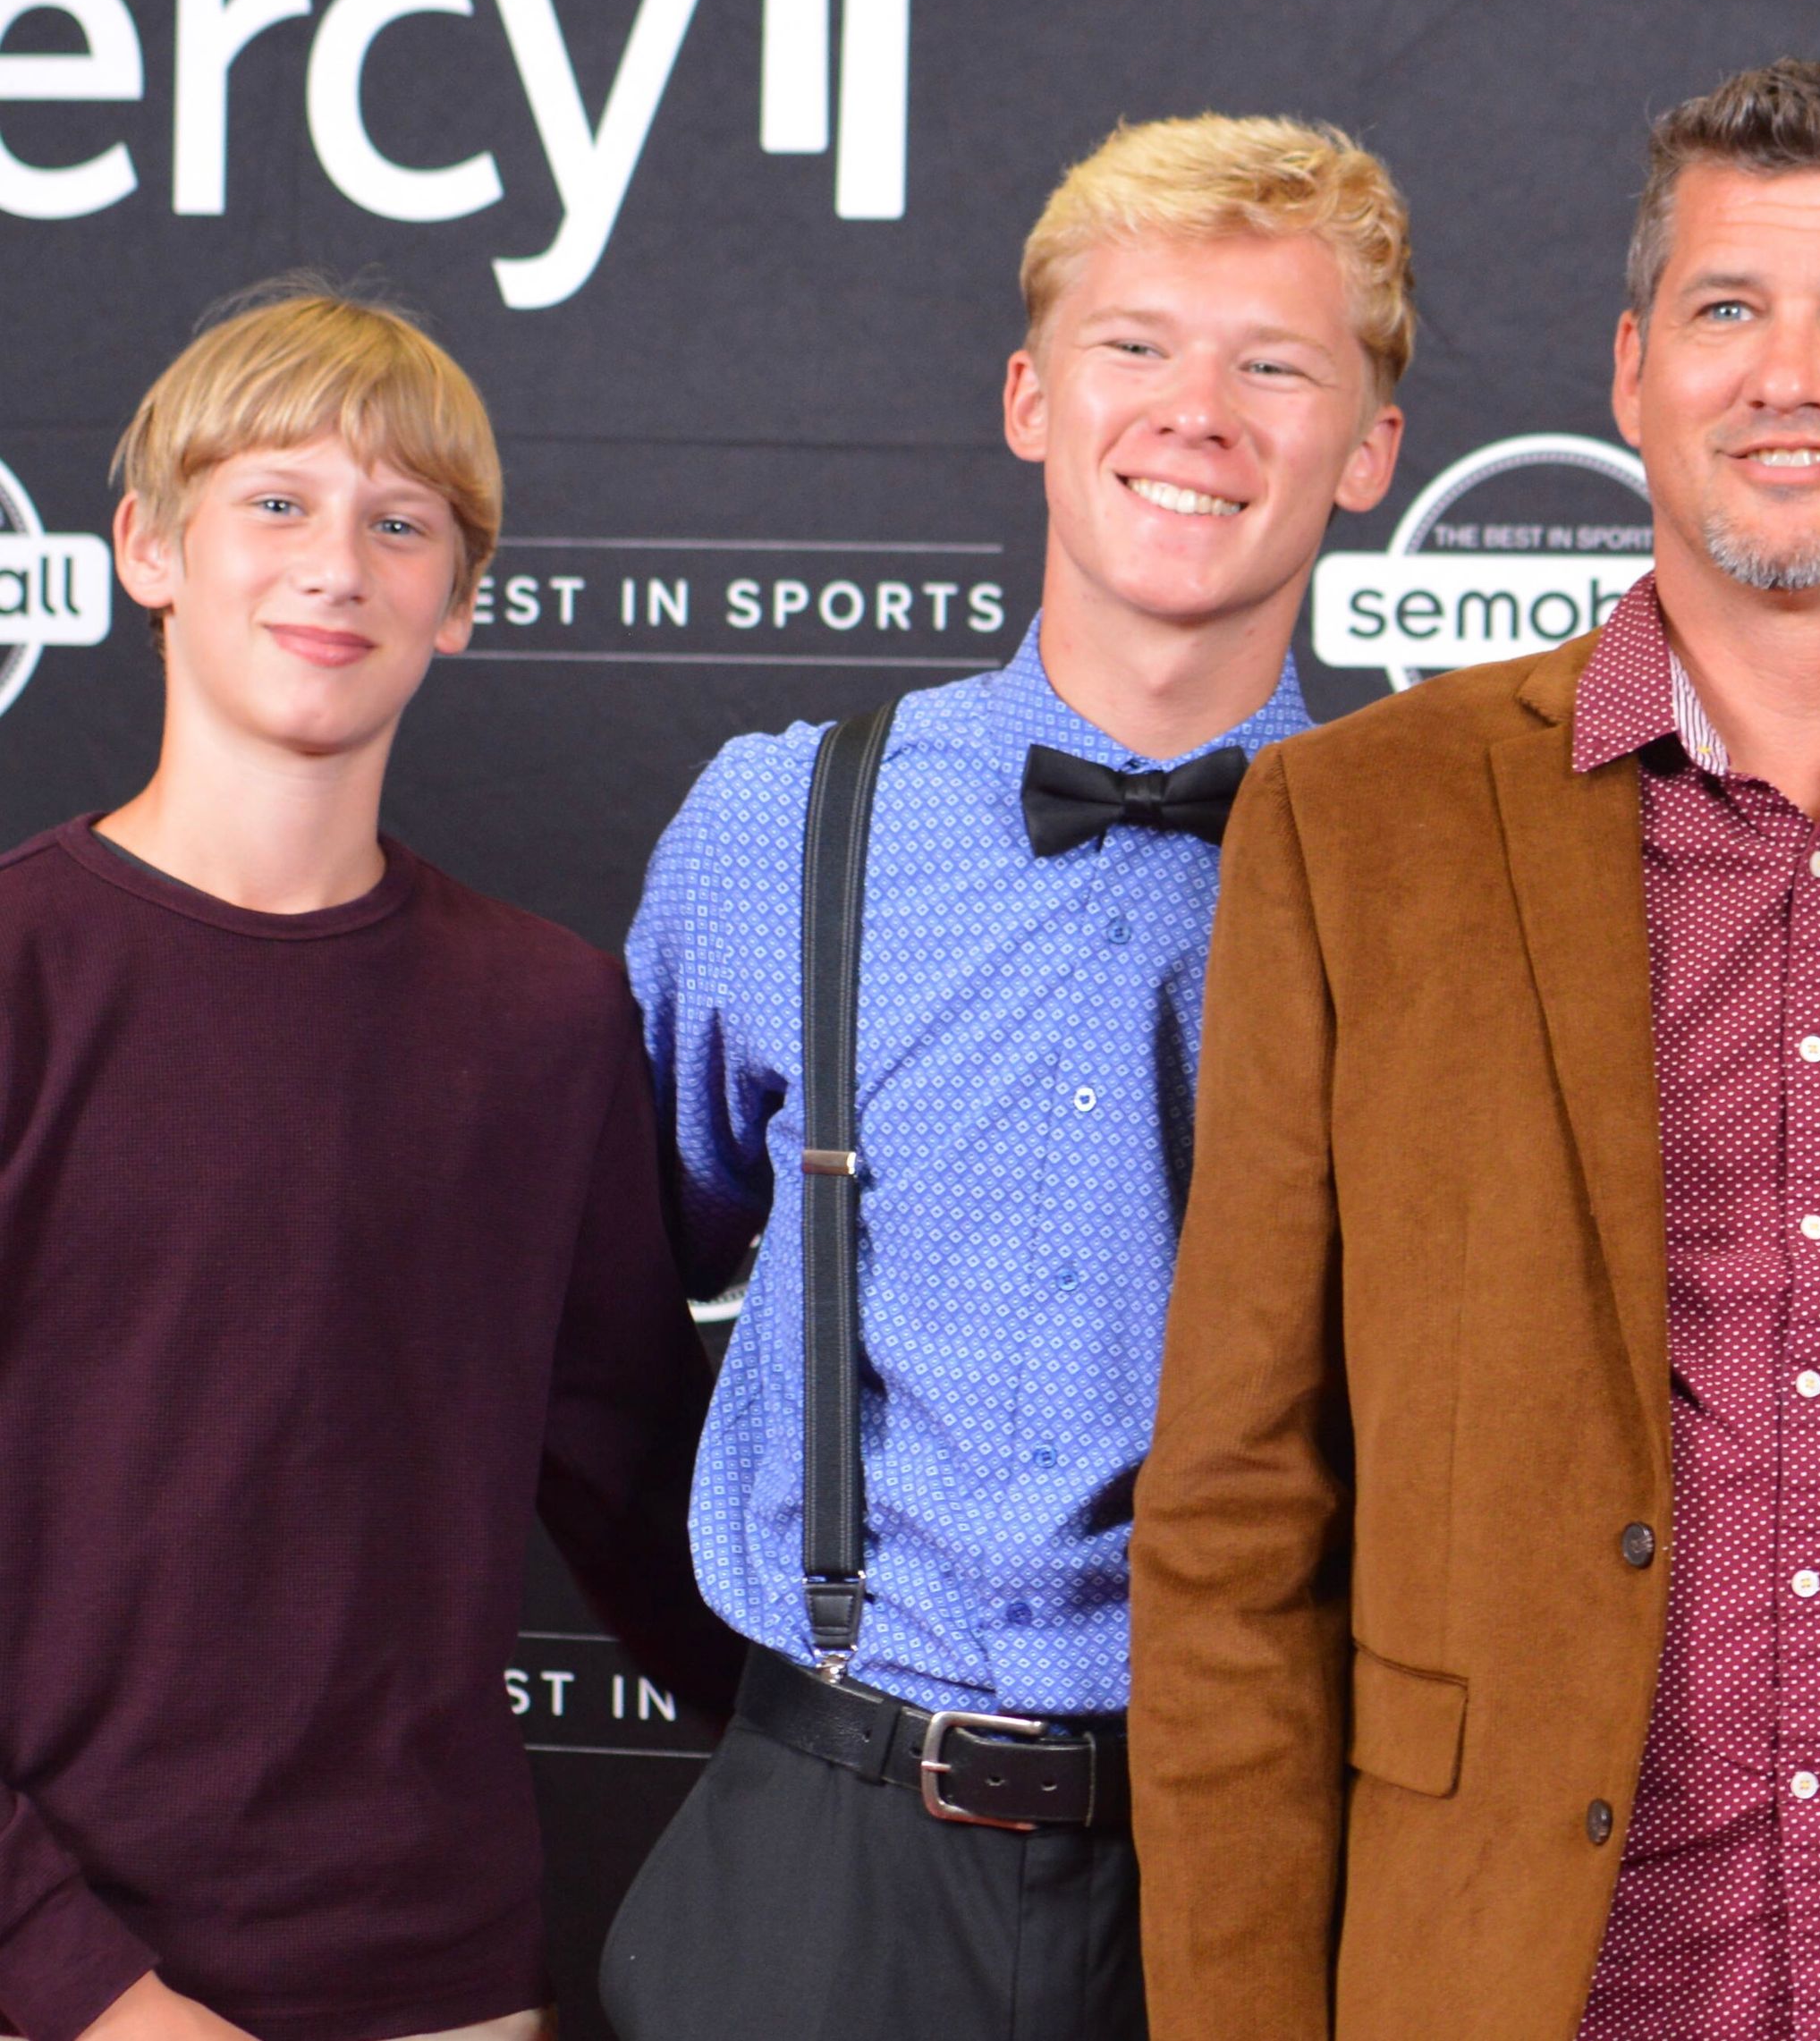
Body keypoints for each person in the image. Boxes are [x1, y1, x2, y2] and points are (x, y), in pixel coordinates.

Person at [1128, 58, 1820, 2040]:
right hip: (1513, 1975)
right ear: (1633, 370)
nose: (1791, 376)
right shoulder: (1359, 825)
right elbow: (1236, 1521)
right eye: (1729, 310)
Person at [597, 114, 1411, 2041]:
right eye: (1136, 346)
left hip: (1252, 1854)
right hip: (821, 1846)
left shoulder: (1431, 875)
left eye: (1274, 363)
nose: (1195, 411)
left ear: (1370, 452)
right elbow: (611, 1305)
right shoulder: (778, 821)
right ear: (1034, 397)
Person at [0, 284, 739, 2041]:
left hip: (434, 1975)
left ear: (461, 603)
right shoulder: (20, 973)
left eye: (400, 521)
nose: (337, 561)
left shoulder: (548, 1013)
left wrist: (906, 1766)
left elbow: (643, 1494)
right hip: (59, 1976)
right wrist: (81, 1982)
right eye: (276, 500)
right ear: (146, 547)